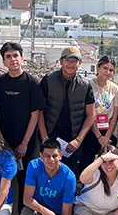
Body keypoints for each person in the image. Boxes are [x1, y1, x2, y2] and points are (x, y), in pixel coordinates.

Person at [0, 41, 45, 215]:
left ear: (22, 58)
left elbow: (35, 115)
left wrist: (25, 143)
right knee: (0, 179)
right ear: (4, 61)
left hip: (26, 143)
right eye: (8, 57)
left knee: (24, 181)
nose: (13, 59)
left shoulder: (32, 83)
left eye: (15, 55)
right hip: (1, 142)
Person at [38, 46, 96, 178]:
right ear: (61, 61)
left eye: (74, 61)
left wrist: (78, 139)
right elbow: (39, 110)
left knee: (69, 176)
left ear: (79, 63)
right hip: (50, 135)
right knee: (47, 174)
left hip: (73, 140)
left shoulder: (85, 85)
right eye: (68, 60)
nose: (71, 64)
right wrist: (44, 136)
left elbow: (91, 115)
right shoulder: (48, 80)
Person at [79, 55, 118, 174]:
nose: (107, 72)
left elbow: (115, 115)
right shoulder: (88, 85)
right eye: (105, 68)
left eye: (111, 70)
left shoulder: (115, 89)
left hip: (108, 132)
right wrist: (98, 136)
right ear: (98, 68)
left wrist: (106, 137)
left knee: (107, 166)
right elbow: (89, 113)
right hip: (91, 130)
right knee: (87, 164)